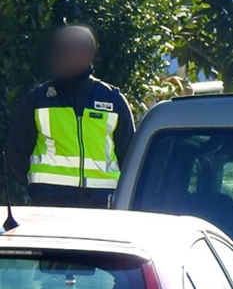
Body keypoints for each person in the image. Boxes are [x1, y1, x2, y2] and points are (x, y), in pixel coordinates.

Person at [5, 26, 135, 208]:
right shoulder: (38, 98)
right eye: (59, 50)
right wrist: (38, 186)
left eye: (69, 50)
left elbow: (129, 154)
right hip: (48, 201)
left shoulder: (113, 99)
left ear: (88, 54)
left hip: (102, 201)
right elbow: (17, 153)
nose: (61, 56)